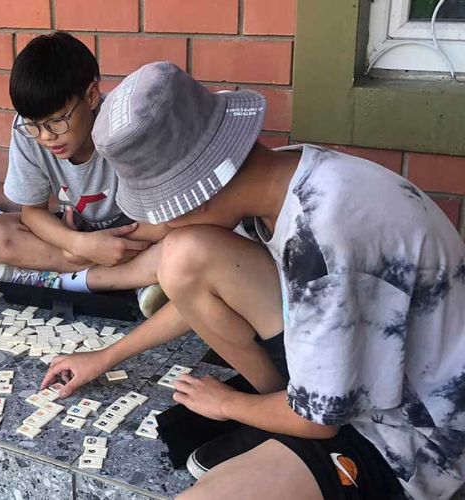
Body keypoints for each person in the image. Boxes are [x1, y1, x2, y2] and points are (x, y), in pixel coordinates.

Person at [42, 61, 465, 500]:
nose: (162, 220)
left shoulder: (324, 240)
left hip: (412, 435)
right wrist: (107, 356)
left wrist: (228, 405)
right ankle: (275, 410)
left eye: (162, 206)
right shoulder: (278, 175)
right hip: (361, 375)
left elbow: (319, 422)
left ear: (201, 188)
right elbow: (192, 287)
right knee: (184, 254)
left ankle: (275, 418)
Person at [0, 31, 169, 317]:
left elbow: (167, 218)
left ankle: (58, 279)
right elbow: (32, 213)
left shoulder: (126, 123)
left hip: (137, 232)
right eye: (34, 125)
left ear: (91, 96)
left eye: (57, 121)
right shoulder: (28, 130)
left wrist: (97, 247)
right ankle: (132, 280)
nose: (46, 137)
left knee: (185, 244)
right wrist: (77, 244)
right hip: (77, 234)